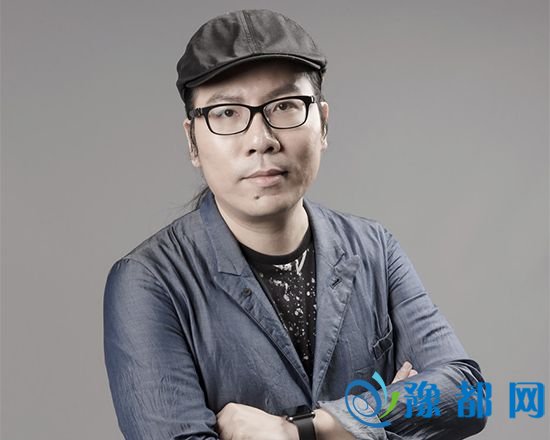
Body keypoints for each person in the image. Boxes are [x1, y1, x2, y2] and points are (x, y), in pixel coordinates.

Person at [104, 9, 487, 440]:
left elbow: (467, 395)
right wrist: (383, 414)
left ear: (323, 124)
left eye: (285, 106)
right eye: (227, 113)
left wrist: (303, 430)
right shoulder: (150, 282)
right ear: (193, 141)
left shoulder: (373, 247)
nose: (261, 140)